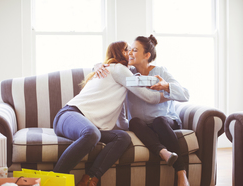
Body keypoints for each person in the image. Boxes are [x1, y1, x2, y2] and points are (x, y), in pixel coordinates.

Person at [52, 41, 167, 186]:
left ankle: (88, 180)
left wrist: (141, 129)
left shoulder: (118, 75)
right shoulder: (118, 69)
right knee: (92, 134)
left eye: (132, 50)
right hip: (69, 115)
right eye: (127, 50)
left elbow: (120, 122)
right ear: (118, 53)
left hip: (87, 126)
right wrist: (170, 92)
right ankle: (53, 180)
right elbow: (149, 97)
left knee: (122, 137)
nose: (131, 52)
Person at [95, 35, 190, 186]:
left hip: (165, 122)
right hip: (144, 127)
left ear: (147, 55)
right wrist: (97, 66)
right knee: (134, 122)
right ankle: (164, 153)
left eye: (135, 50)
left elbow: (185, 94)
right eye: (130, 50)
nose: (130, 53)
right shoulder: (127, 73)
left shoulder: (160, 71)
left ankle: (181, 172)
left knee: (159, 120)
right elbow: (109, 65)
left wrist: (166, 86)